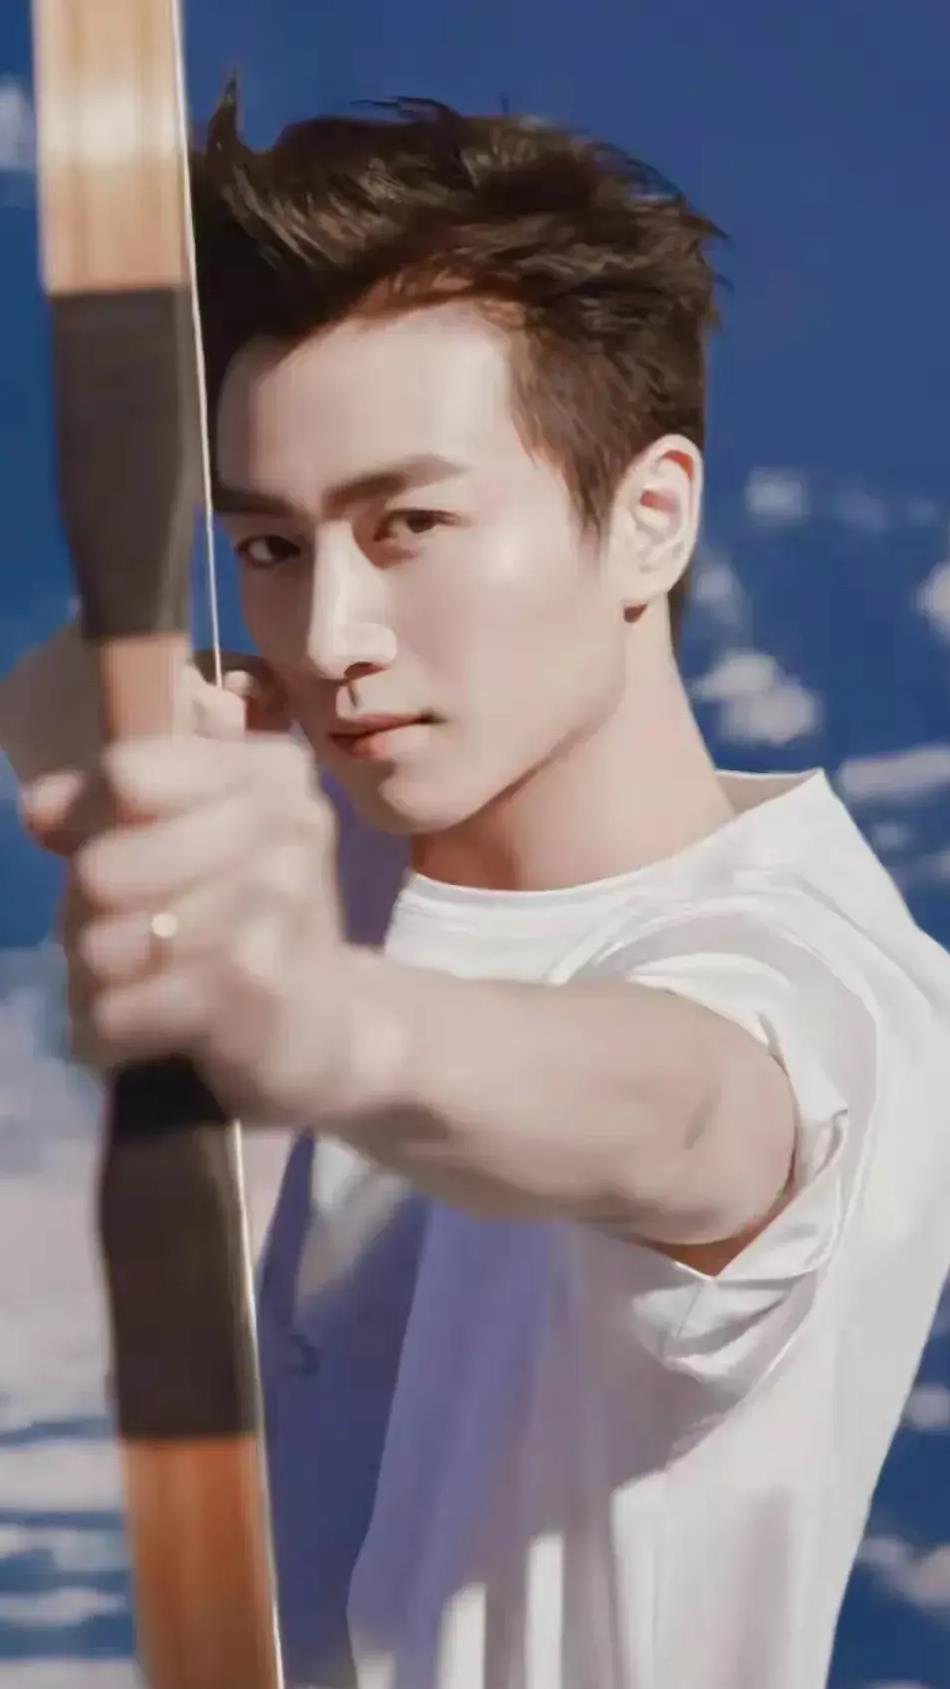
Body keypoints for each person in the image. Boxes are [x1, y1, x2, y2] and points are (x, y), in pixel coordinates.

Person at [6, 89, 950, 1689]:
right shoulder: (363, 808)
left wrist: (325, 1028)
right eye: (272, 546)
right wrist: (87, 712)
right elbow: (70, 701)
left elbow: (678, 1113)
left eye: (411, 524)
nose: (331, 637)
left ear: (648, 519)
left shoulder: (806, 985)